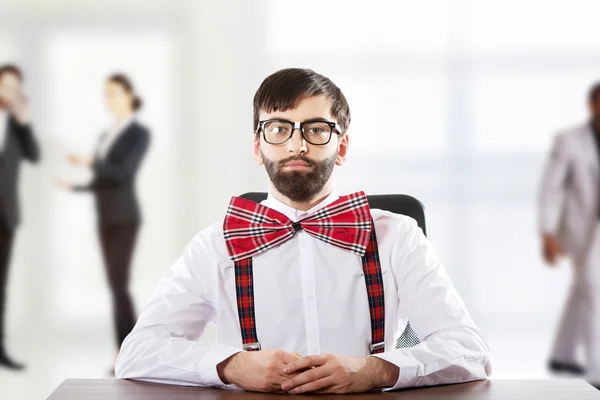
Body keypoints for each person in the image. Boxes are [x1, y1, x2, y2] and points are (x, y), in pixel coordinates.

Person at [115, 68, 491, 393]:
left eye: (315, 129)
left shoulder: (398, 236)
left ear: (341, 147)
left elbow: (468, 350)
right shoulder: (215, 245)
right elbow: (138, 352)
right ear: (258, 147)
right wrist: (233, 366)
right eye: (278, 128)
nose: (297, 144)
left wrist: (374, 370)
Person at [57, 73, 150, 353]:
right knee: (114, 285)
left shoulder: (138, 133)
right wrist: (77, 187)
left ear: (129, 96)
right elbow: (104, 179)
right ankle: (128, 348)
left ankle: (132, 348)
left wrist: (89, 161)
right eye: (105, 94)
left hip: (124, 217)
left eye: (113, 93)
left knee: (119, 284)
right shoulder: (105, 134)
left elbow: (123, 174)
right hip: (105, 216)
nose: (107, 99)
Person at [538, 82, 600, 390]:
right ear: (593, 105)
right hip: (582, 231)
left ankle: (562, 353)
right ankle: (596, 370)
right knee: (593, 291)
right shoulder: (569, 141)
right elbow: (550, 189)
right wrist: (548, 232)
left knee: (583, 290)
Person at [0, 64, 40, 371]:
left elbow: (34, 155)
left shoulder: (16, 126)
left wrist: (23, 120)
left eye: (16, 87)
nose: (10, 91)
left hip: (5, 216)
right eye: (6, 85)